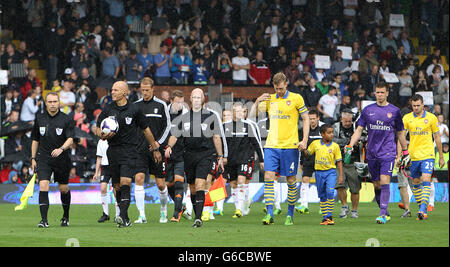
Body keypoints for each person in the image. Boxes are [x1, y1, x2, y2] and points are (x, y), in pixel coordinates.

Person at [96, 81, 159, 228]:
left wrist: (155, 148)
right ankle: (124, 215)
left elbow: (146, 130)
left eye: (116, 90)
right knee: (117, 186)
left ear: (125, 92)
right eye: (112, 90)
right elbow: (98, 128)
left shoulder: (134, 109)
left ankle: (123, 216)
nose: (112, 92)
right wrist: (103, 135)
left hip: (130, 151)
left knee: (125, 182)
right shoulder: (108, 109)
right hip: (112, 151)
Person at [250, 72, 309, 226]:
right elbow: (252, 116)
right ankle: (270, 214)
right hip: (272, 145)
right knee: (269, 176)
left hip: (290, 146)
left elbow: (306, 118)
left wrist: (304, 140)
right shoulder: (270, 99)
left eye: (281, 88)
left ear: (286, 84)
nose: (278, 91)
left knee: (290, 180)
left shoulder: (296, 98)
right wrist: (257, 101)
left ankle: (290, 213)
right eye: (276, 89)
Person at [347, 82, 409, 224]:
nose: (380, 95)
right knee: (376, 184)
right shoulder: (368, 110)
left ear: (387, 93)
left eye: (382, 92)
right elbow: (359, 130)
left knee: (385, 180)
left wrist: (405, 151)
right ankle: (385, 211)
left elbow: (400, 132)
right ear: (375, 93)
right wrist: (351, 144)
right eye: (377, 92)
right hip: (372, 152)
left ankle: (381, 214)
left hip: (388, 151)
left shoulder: (394, 111)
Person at [165, 88, 227, 228]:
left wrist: (221, 156)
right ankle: (196, 213)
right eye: (194, 97)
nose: (197, 100)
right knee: (192, 187)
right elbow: (175, 135)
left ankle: (198, 218)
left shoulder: (211, 116)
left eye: (199, 97)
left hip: (206, 155)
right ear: (191, 100)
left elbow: (217, 137)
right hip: (189, 155)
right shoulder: (184, 118)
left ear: (203, 99)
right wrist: (168, 146)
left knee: (200, 183)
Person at [30, 92, 75, 228]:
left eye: (55, 101)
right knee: (43, 185)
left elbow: (71, 139)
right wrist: (33, 158)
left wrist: (61, 148)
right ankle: (44, 220)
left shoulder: (66, 119)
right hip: (44, 158)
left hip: (62, 159)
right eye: (50, 102)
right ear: (46, 103)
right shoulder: (40, 118)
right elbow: (35, 139)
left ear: (59, 102)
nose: (53, 104)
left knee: (64, 189)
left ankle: (65, 217)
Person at [399, 94, 445, 220]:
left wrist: (440, 156)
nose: (416, 108)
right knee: (416, 182)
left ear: (423, 104)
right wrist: (400, 155)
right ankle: (422, 210)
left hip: (428, 154)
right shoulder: (407, 118)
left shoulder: (431, 118)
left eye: (418, 105)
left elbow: (437, 137)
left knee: (426, 179)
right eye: (414, 106)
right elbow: (401, 137)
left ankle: (423, 209)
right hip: (413, 155)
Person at [133, 78, 168, 224]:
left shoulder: (161, 105)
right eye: (143, 90)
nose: (145, 93)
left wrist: (157, 145)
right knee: (139, 179)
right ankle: (142, 215)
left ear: (153, 89)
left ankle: (163, 210)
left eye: (147, 90)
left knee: (160, 183)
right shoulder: (135, 106)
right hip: (140, 150)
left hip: (157, 151)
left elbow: (168, 127)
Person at [223, 102, 264, 219]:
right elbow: (220, 142)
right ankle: (244, 202)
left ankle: (239, 209)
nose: (240, 113)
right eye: (237, 111)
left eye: (241, 111)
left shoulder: (248, 126)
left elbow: (257, 143)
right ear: (233, 113)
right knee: (233, 184)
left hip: (245, 158)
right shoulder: (225, 126)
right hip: (230, 160)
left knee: (241, 180)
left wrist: (262, 159)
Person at [301, 124, 343, 225]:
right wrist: (302, 149)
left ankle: (329, 215)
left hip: (331, 172)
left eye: (332, 132)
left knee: (330, 192)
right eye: (329, 133)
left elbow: (339, 162)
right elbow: (308, 153)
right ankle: (325, 218)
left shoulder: (335, 146)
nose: (331, 134)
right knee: (322, 196)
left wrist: (341, 175)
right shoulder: (315, 144)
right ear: (322, 134)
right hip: (319, 173)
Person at [166, 90, 189, 222]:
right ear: (171, 101)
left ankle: (176, 213)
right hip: (166, 153)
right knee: (168, 184)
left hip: (181, 152)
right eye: (177, 102)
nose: (180, 105)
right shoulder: (165, 111)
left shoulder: (186, 114)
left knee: (178, 180)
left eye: (181, 102)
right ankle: (180, 205)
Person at [333, 110, 361, 218]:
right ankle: (344, 207)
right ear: (341, 119)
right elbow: (333, 140)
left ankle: (354, 210)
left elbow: (364, 137)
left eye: (350, 121)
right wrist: (350, 142)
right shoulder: (335, 127)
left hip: (354, 161)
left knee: (355, 188)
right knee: (339, 185)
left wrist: (358, 142)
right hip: (339, 161)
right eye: (346, 121)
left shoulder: (357, 127)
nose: (348, 123)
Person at [296, 109, 323, 214]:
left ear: (318, 118)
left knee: (321, 183)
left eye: (313, 118)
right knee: (305, 180)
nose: (312, 121)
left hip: (320, 161)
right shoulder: (304, 131)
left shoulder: (322, 130)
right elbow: (302, 147)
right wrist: (301, 161)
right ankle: (304, 205)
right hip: (308, 161)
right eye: (310, 119)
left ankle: (323, 206)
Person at [93, 139, 121, 223]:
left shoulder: (115, 139)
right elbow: (99, 157)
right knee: (103, 188)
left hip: (115, 165)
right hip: (105, 167)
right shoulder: (101, 141)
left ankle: (118, 214)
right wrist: (96, 172)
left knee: (116, 190)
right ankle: (105, 214)